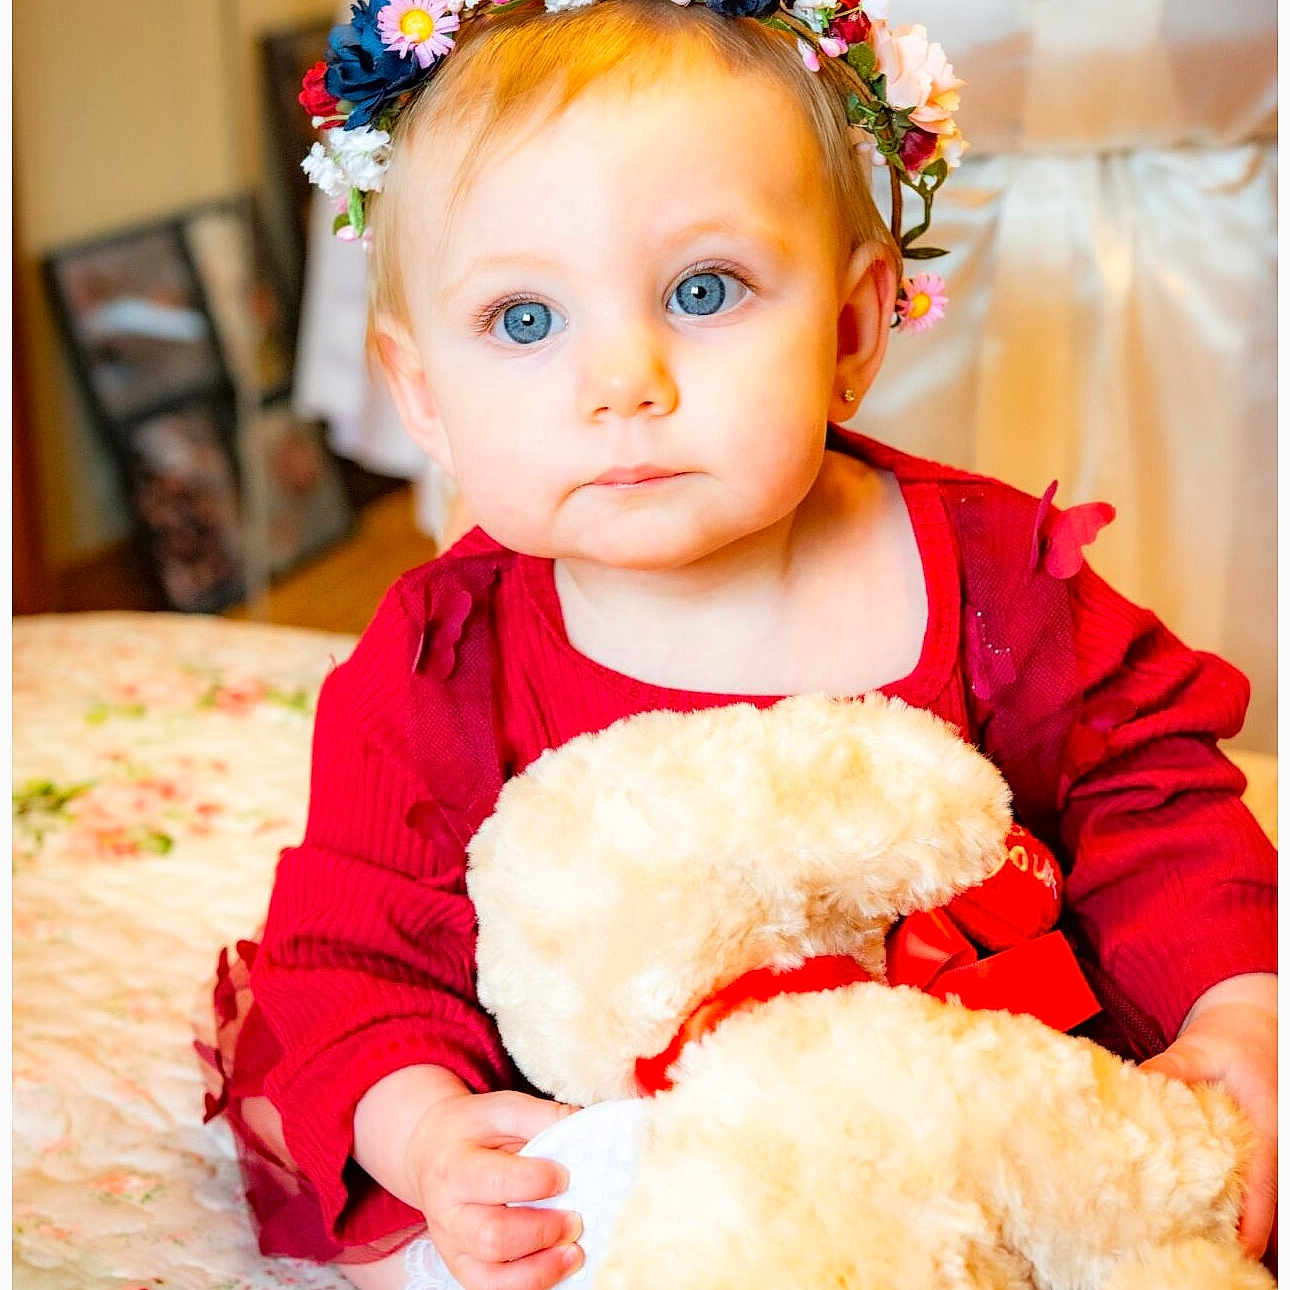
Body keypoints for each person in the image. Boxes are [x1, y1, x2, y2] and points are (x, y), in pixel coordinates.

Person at [196, 2, 1276, 1288]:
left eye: (703, 292)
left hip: (981, 1114)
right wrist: (424, 1128)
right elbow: (350, 953)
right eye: (524, 320)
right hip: (653, 1171)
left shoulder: (993, 581)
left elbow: (1153, 800)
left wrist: (1237, 1009)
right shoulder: (441, 659)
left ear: (850, 331)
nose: (624, 380)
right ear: (421, 392)